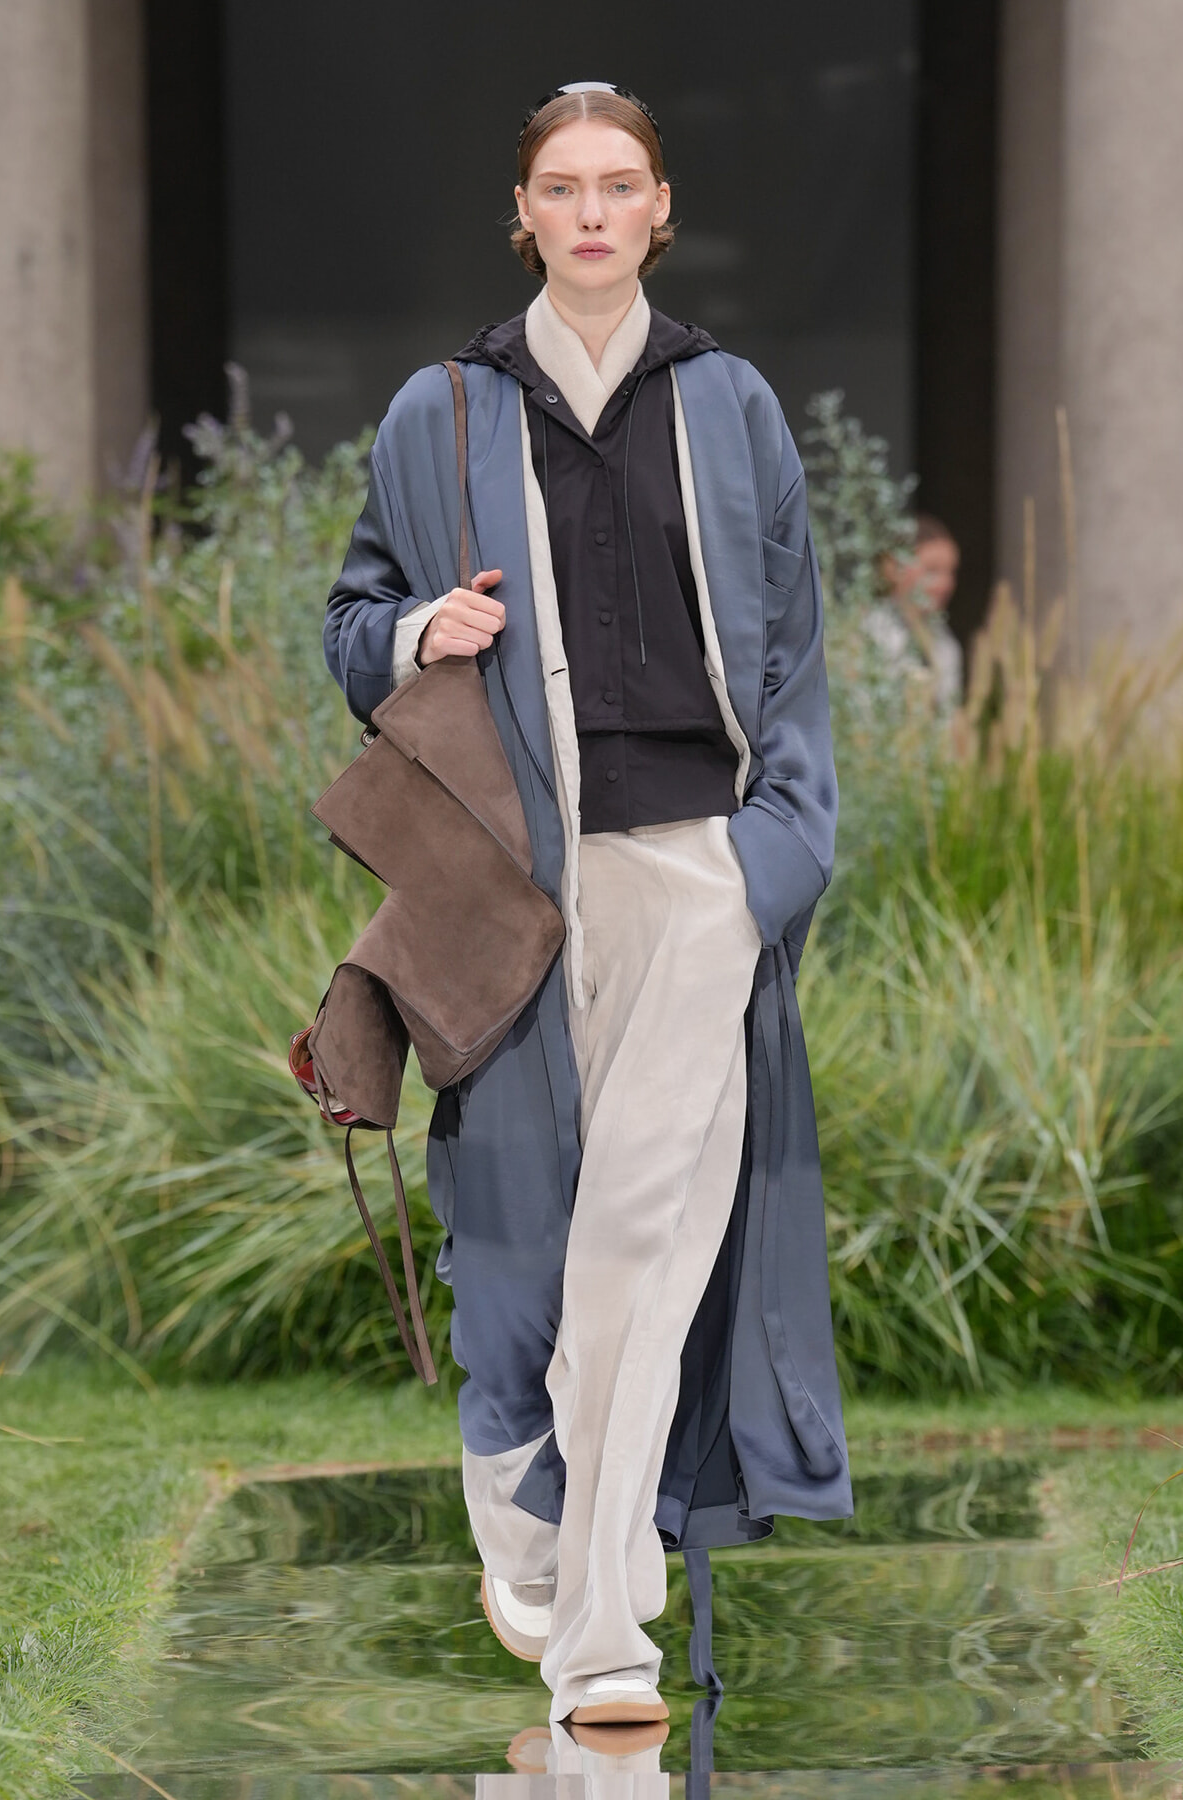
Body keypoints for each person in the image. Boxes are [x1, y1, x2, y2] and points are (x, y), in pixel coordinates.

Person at [323, 81, 852, 1737]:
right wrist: (415, 635)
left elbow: (798, 658)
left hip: (699, 871)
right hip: (523, 889)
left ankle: (605, 1637)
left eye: (622, 185)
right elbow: (350, 620)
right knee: (518, 1243)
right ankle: (527, 1504)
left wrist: (772, 863)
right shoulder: (443, 410)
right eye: (565, 187)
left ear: (662, 209)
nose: (595, 212)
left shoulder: (731, 404)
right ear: (527, 214)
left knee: (646, 1237)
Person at [866, 513, 964, 718]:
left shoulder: (946, 644)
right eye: (932, 571)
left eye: (951, 572)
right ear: (893, 568)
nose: (945, 584)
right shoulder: (868, 634)